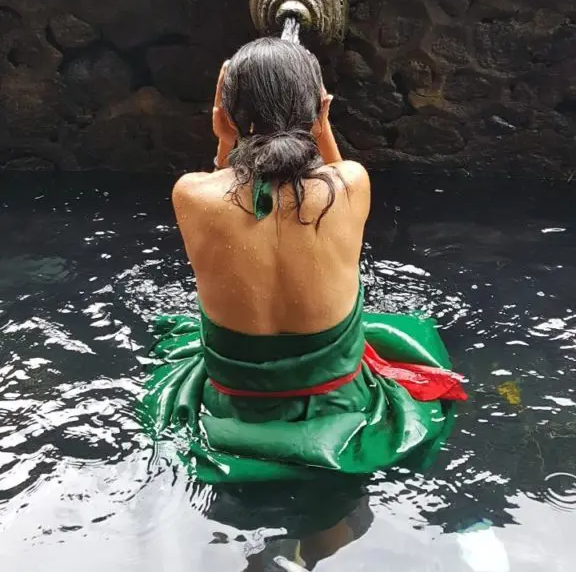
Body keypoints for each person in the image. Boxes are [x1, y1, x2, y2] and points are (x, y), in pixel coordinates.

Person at [139, 38, 466, 483]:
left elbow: (225, 180)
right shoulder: (351, 185)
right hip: (342, 406)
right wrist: (322, 124)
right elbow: (335, 174)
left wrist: (224, 133)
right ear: (318, 111)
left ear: (226, 116)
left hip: (232, 409)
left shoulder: (190, 194)